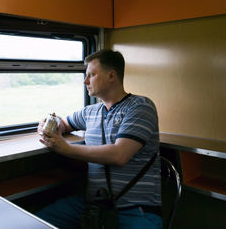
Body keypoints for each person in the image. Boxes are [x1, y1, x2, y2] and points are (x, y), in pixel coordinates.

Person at [37, 49, 162, 229]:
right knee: (38, 222)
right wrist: (50, 124)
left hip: (135, 209)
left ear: (111, 75)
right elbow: (64, 123)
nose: (85, 81)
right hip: (93, 205)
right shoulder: (91, 112)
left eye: (91, 75)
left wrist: (66, 148)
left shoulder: (141, 107)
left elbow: (119, 154)